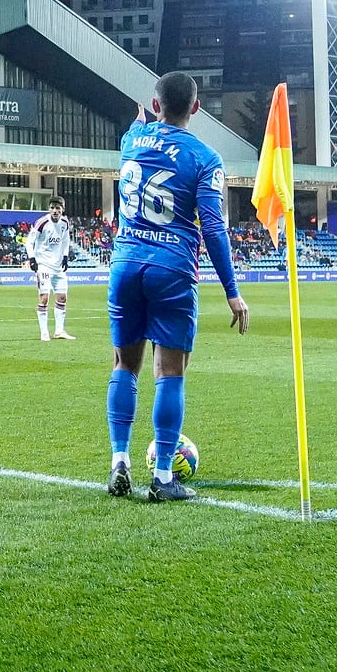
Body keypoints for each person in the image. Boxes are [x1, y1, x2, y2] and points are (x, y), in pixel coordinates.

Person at [104, 71, 248, 502]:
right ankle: (164, 476)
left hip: (126, 263)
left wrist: (140, 120)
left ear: (155, 104)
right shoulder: (205, 159)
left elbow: (134, 129)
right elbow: (215, 229)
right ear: (197, 108)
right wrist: (232, 291)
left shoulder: (132, 142)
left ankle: (119, 463)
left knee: (123, 366)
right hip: (172, 269)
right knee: (170, 371)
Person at [27, 196, 77, 341]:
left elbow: (66, 239)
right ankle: (44, 332)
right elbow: (30, 241)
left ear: (63, 209)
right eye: (52, 208)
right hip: (43, 265)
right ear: (49, 209)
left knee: (62, 297)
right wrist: (32, 258)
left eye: (58, 208)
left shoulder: (65, 222)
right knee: (44, 298)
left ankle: (59, 331)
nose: (55, 211)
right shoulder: (41, 223)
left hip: (58, 266)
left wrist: (66, 256)